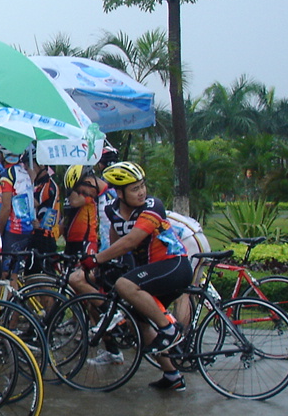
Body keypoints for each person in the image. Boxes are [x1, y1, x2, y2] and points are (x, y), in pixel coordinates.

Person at [70, 161, 193, 391]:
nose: (141, 192)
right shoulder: (113, 210)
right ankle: (173, 376)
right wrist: (105, 265)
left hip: (174, 265)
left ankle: (170, 329)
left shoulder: (152, 206)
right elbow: (117, 241)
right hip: (153, 272)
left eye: (142, 186)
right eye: (135, 188)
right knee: (140, 321)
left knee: (125, 284)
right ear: (119, 193)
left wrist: (97, 258)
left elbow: (131, 241)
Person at [0, 148, 35, 279]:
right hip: (27, 228)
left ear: (2, 156)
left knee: (4, 274)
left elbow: (6, 207)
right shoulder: (25, 172)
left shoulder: (7, 174)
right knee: (14, 273)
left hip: (14, 229)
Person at [61, 164, 101, 256]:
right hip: (70, 240)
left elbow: (75, 202)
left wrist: (71, 188)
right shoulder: (71, 196)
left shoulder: (87, 193)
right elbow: (67, 216)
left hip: (86, 239)